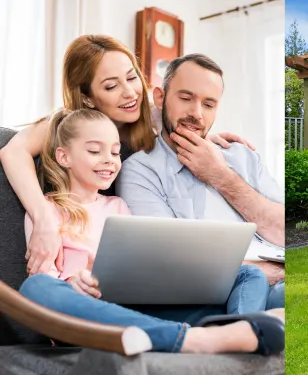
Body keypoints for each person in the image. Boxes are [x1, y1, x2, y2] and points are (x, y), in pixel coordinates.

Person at [19, 108, 284, 355]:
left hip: (140, 307)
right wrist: (72, 283)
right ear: (64, 156)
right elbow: (44, 276)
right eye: (94, 151)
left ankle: (240, 331)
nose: (109, 161)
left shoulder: (118, 205)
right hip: (86, 317)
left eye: (114, 152)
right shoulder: (44, 211)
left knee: (247, 273)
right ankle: (198, 339)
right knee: (35, 287)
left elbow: (140, 261)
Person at [0, 35, 252, 276]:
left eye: (132, 77)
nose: (130, 92)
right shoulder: (69, 125)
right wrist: (43, 219)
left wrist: (206, 139)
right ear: (87, 98)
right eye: (111, 86)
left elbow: (185, 118)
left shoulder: (150, 115)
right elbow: (12, 151)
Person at [116, 53, 285, 310]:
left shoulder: (241, 155)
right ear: (160, 98)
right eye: (185, 98)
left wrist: (221, 176)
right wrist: (263, 272)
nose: (196, 114)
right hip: (237, 291)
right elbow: (169, 260)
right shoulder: (141, 170)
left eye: (208, 104)